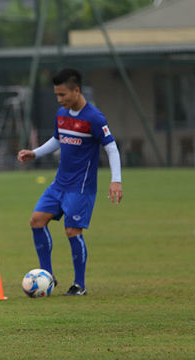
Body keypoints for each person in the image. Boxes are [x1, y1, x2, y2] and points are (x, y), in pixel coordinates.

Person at [17, 68, 123, 296]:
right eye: (57, 95)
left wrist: (116, 180)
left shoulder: (94, 118)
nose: (59, 99)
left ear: (76, 90)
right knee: (36, 220)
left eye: (63, 95)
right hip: (59, 184)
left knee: (72, 230)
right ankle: (47, 276)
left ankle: (79, 285)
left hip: (81, 188)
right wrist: (34, 153)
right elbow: (57, 139)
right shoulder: (61, 114)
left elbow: (111, 148)